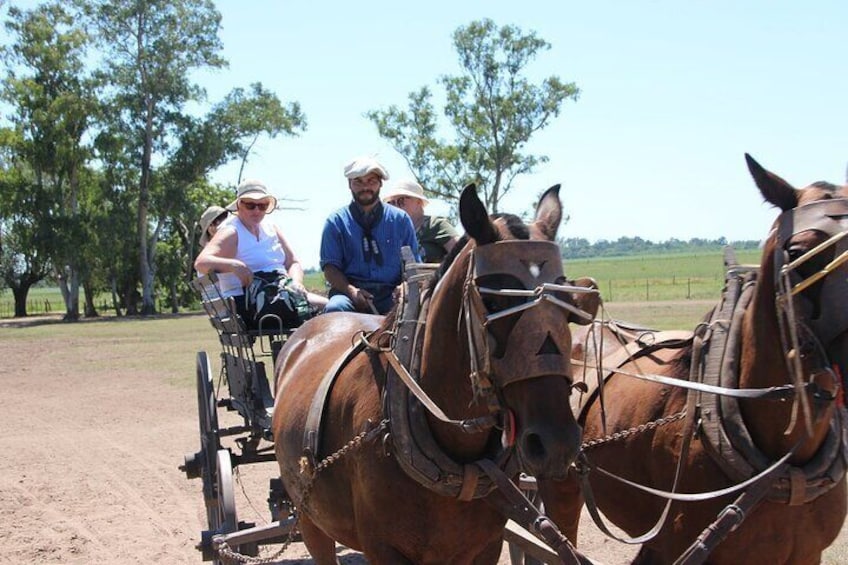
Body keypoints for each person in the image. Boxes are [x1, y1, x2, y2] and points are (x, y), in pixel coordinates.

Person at [194, 178, 327, 327]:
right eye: (250, 205)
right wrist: (234, 265)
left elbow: (292, 262)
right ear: (239, 205)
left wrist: (296, 282)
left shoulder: (271, 227)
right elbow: (201, 263)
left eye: (262, 205)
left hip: (285, 292)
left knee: (336, 308)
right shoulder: (231, 231)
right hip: (254, 303)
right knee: (334, 308)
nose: (257, 210)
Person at [320, 156, 419, 314]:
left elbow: (413, 265)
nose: (365, 187)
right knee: (335, 308)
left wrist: (404, 287)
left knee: (422, 314)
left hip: (392, 295)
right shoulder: (336, 222)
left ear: (380, 183)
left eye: (371, 181)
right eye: (358, 181)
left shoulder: (401, 220)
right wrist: (351, 291)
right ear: (349, 184)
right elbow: (330, 267)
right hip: (349, 294)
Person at [381, 179, 459, 264]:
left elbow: (462, 252)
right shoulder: (392, 233)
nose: (395, 206)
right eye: (391, 203)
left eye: (401, 200)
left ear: (418, 202)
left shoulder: (434, 224)